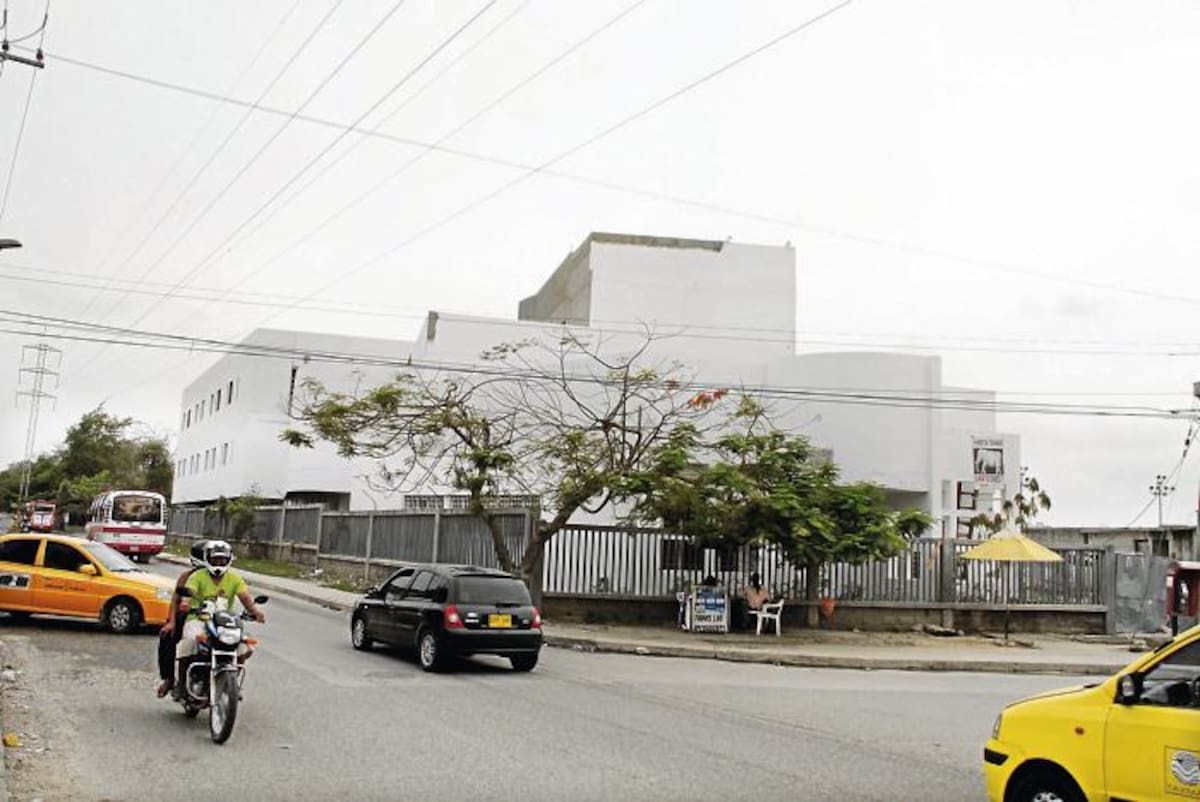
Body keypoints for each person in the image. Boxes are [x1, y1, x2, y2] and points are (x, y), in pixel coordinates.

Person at [174, 540, 264, 699]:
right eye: (215, 559)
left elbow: (245, 598)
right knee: (189, 641)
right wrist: (185, 604)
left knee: (245, 647)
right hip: (198, 619)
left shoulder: (234, 579)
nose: (219, 563)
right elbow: (188, 594)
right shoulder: (197, 576)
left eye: (222, 559)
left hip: (223, 621)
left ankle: (232, 684)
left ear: (229, 560)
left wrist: (255, 611)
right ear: (207, 558)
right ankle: (181, 685)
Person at [155, 539, 207, 698]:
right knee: (167, 637)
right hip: (190, 616)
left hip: (213, 619)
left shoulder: (226, 577)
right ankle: (170, 679)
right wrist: (171, 622)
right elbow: (176, 600)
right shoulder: (186, 577)